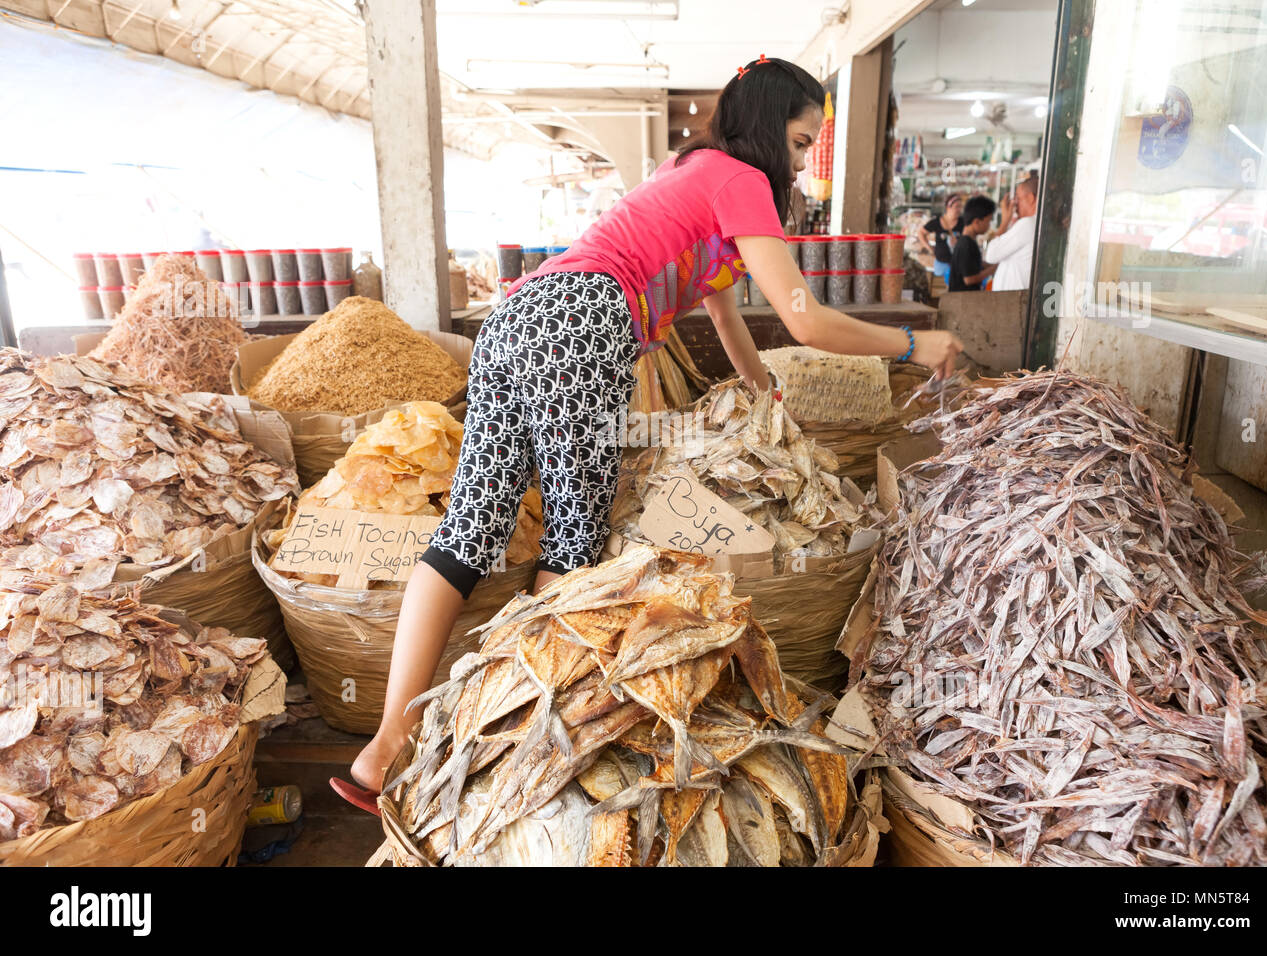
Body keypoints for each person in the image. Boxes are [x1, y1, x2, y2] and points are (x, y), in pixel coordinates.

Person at [335, 55, 964, 809]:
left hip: (518, 317)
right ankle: (522, 751)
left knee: (471, 531)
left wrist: (766, 398)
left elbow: (731, 321)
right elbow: (802, 315)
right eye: (800, 143)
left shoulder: (691, 168)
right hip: (582, 323)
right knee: (572, 544)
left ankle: (384, 747)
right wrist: (911, 345)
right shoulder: (743, 181)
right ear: (768, 130)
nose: (801, 162)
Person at [984, 173, 1038, 291]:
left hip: (1013, 301)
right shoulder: (1032, 224)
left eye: (1018, 198)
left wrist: (1004, 222)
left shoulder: (1027, 224)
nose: (1014, 204)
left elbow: (991, 255)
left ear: (1030, 198)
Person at [947, 195, 998, 292]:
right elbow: (969, 280)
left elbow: (972, 263)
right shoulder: (966, 244)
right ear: (977, 222)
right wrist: (993, 269)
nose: (989, 225)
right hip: (962, 300)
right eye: (988, 221)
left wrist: (990, 265)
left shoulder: (968, 241)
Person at [917, 194, 964, 283]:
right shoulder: (937, 222)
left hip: (958, 265)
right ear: (948, 207)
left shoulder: (963, 222)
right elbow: (921, 233)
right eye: (956, 207)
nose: (959, 210)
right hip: (941, 264)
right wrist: (929, 248)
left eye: (960, 207)